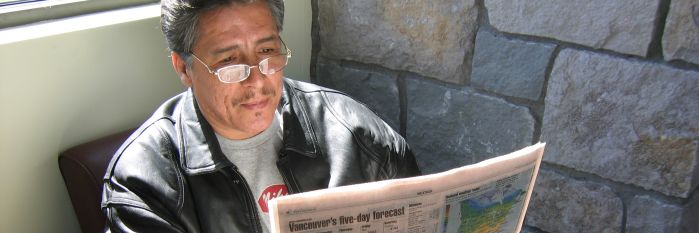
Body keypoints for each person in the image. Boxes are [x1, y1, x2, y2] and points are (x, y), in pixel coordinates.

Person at [101, 0, 421, 232]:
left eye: (267, 52)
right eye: (229, 61)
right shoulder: (145, 181)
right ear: (184, 67)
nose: (256, 81)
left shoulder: (357, 135)